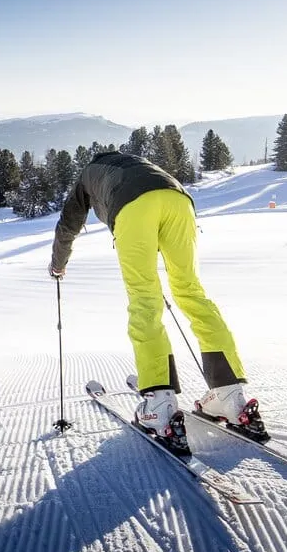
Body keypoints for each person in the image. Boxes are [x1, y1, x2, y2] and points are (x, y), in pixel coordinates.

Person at [48, 150, 264, 455]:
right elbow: (156, 190)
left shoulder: (88, 175)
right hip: (179, 201)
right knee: (191, 292)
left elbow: (68, 224)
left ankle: (159, 406)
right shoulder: (135, 162)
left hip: (134, 208)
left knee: (144, 299)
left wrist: (58, 265)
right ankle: (230, 396)